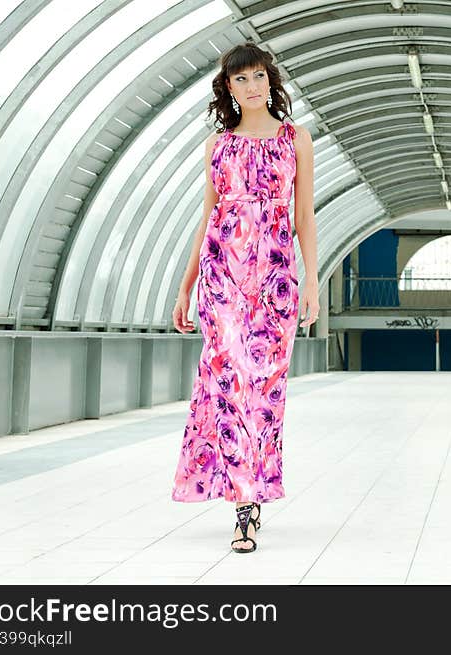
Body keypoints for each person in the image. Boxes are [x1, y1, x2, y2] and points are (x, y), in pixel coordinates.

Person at [169, 42, 319, 554]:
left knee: (267, 386)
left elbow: (304, 219)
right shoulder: (218, 147)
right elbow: (207, 219)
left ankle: (252, 492)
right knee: (231, 382)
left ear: (270, 81)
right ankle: (244, 507)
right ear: (228, 89)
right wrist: (186, 285)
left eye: (258, 77)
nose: (252, 87)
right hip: (222, 279)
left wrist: (314, 282)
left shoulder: (296, 139)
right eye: (241, 80)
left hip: (276, 279)